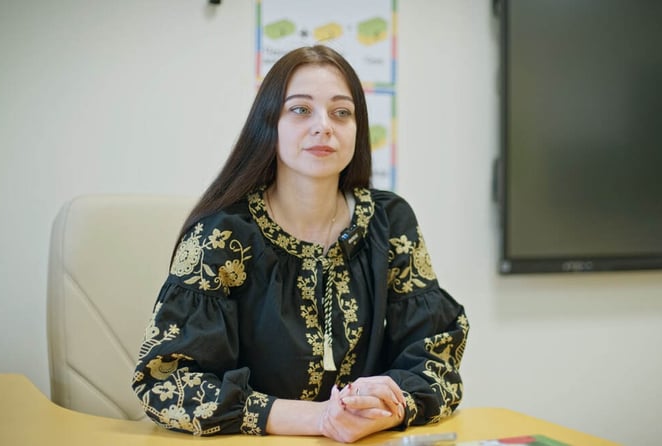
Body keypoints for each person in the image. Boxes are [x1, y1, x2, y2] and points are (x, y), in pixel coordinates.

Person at [131, 45, 469, 443]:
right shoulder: (223, 234)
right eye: (300, 109)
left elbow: (436, 361)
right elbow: (165, 383)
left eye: (341, 112)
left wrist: (384, 407)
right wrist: (316, 418)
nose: (324, 126)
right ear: (268, 123)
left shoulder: (389, 222)